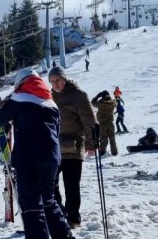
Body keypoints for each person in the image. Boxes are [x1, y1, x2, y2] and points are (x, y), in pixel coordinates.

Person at [0, 70, 71, 238]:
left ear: (20, 83)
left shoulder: (19, 97)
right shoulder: (51, 103)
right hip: (52, 157)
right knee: (49, 201)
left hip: (28, 157)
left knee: (31, 206)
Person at [47, 66, 96, 230]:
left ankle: (73, 218)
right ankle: (60, 213)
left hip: (74, 145)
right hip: (55, 146)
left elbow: (89, 121)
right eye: (52, 82)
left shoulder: (78, 95)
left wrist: (91, 144)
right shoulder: (50, 96)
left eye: (58, 80)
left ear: (65, 78)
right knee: (50, 182)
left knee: (71, 184)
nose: (55, 84)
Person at [91, 91, 118, 156]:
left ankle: (102, 152)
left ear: (102, 96)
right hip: (110, 123)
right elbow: (115, 102)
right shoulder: (112, 103)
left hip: (103, 123)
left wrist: (97, 96)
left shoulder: (100, 103)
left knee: (103, 138)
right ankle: (114, 152)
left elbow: (93, 102)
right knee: (112, 138)